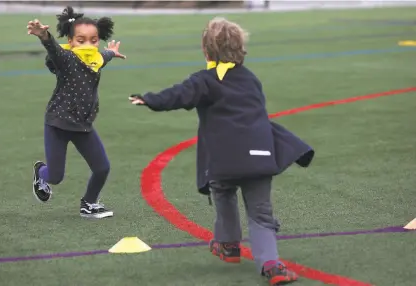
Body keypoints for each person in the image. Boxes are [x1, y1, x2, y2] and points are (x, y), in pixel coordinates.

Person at [128, 17, 314, 285]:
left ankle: (228, 244)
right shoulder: (251, 79)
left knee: (223, 192)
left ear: (206, 51)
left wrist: (150, 99)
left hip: (225, 159)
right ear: (241, 49)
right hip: (261, 157)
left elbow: (179, 95)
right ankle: (272, 265)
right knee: (261, 213)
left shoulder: (205, 80)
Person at [27, 6, 126, 219]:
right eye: (81, 40)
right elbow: (53, 49)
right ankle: (40, 173)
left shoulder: (96, 59)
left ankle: (89, 204)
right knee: (55, 176)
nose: (89, 45)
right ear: (71, 41)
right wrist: (44, 36)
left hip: (82, 125)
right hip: (58, 124)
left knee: (102, 168)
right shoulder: (66, 58)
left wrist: (112, 53)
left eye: (94, 40)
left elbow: (102, 56)